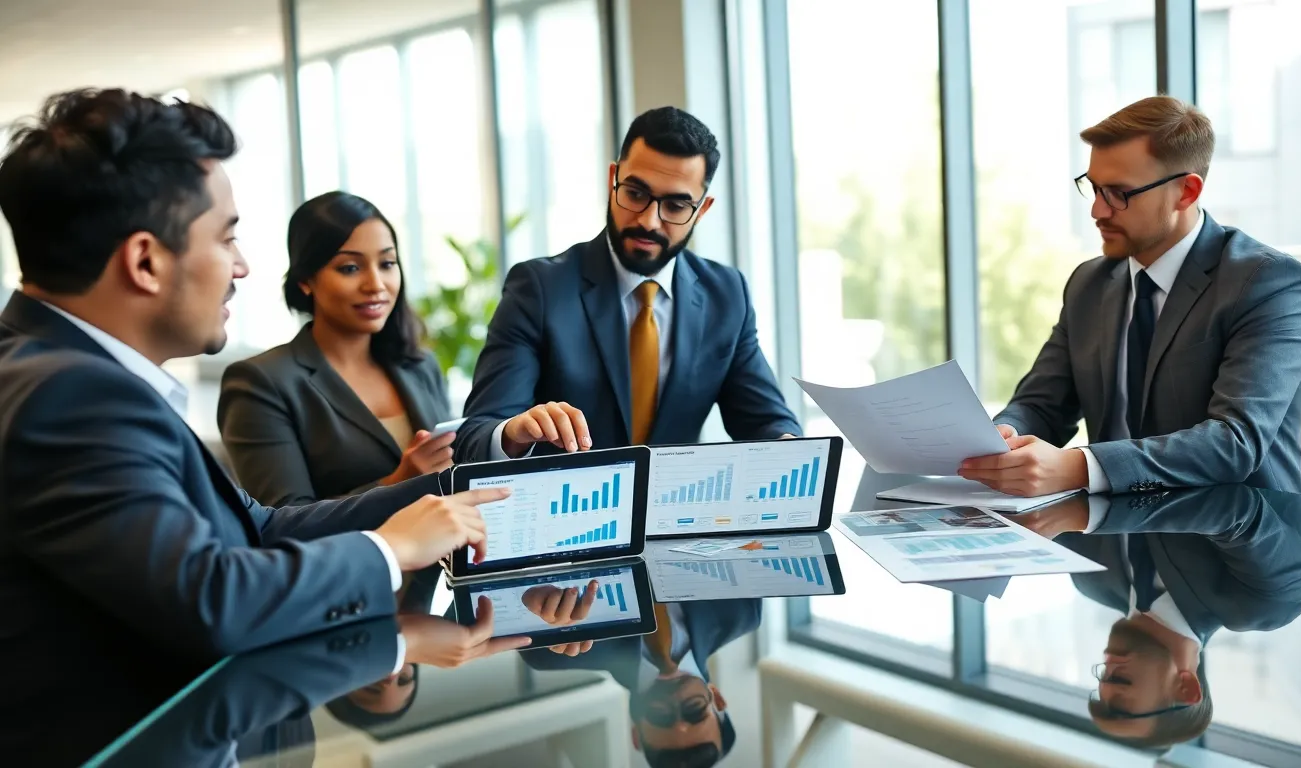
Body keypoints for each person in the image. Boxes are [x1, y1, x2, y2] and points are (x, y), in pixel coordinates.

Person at [0, 89, 519, 721]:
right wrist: (389, 550)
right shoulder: (69, 394)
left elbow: (260, 528)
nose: (242, 268)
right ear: (144, 261)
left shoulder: (75, 373)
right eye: (226, 239)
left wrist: (443, 494)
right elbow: (212, 600)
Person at [959, 96, 1301, 497]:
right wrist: (1002, 439)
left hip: (1239, 536)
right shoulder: (1089, 284)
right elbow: (1042, 406)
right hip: (1116, 533)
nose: (1097, 210)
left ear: (1186, 191)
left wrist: (1080, 466)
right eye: (1093, 188)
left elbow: (1234, 443)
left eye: (1118, 193)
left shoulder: (1267, 283)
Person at [453, 106, 801, 464]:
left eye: (676, 205)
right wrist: (514, 433)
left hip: (673, 514)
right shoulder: (539, 289)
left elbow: (767, 422)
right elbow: (476, 434)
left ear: (702, 209)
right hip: (565, 510)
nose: (649, 221)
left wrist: (786, 445)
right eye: (635, 193)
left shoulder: (726, 294)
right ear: (613, 179)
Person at [1022, 484, 1301, 747]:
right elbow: (1235, 505)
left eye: (1104, 677)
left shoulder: (1093, 580)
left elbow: (1046, 496)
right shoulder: (1262, 602)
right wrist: (1099, 511)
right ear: (1185, 687)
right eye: (1121, 681)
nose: (1107, 666)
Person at [217, 191, 455, 507]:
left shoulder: (419, 365)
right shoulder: (260, 383)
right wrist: (398, 482)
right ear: (305, 280)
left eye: (387, 263)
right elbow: (284, 521)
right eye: (350, 268)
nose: (376, 284)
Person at [522, 597, 761, 767]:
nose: (675, 702)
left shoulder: (549, 651)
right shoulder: (742, 610)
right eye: (694, 710)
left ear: (636, 733)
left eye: (661, 716)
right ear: (716, 699)